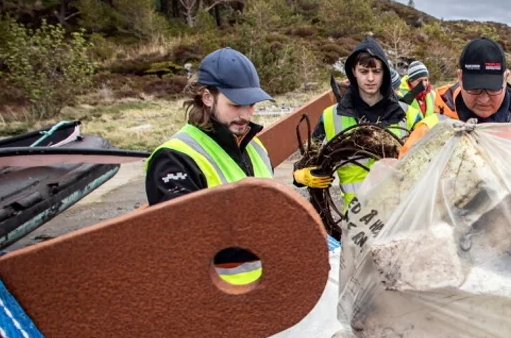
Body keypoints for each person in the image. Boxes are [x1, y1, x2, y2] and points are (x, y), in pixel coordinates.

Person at [144, 47, 274, 284]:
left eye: (252, 104)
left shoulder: (256, 148)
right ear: (206, 97)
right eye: (235, 104)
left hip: (263, 293)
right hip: (214, 301)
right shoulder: (175, 157)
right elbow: (184, 243)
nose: (245, 115)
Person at [294, 37, 422, 208]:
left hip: (398, 220)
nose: (370, 78)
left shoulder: (409, 116)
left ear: (384, 73)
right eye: (364, 71)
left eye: (376, 72)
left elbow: (429, 167)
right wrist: (301, 176)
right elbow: (307, 162)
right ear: (353, 71)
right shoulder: (331, 117)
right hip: (354, 224)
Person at [399, 37, 511, 154]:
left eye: (492, 89)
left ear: (506, 77)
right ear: (460, 78)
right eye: (474, 88)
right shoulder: (430, 131)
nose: (484, 99)